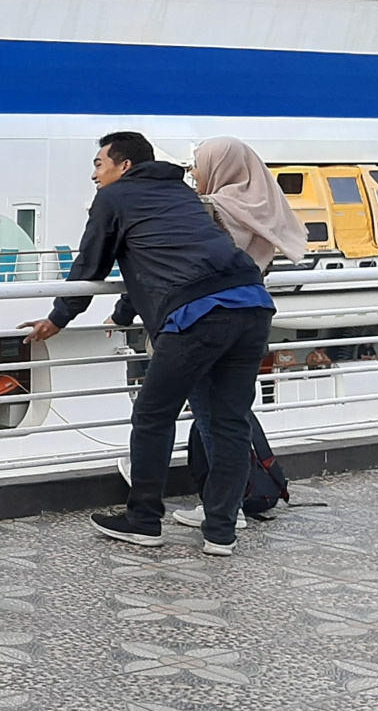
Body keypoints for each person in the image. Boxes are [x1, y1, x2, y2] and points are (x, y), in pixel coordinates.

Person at [22, 132, 273, 556]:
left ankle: (143, 520)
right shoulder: (181, 195)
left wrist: (57, 318)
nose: (94, 173)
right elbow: (160, 260)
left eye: (99, 164)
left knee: (154, 415)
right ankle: (221, 533)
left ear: (124, 166)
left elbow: (91, 263)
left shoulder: (114, 199)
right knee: (231, 423)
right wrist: (123, 313)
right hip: (251, 303)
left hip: (198, 315)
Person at [170, 137, 301, 530]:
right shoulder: (265, 207)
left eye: (198, 163)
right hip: (252, 323)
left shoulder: (212, 208)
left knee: (210, 418)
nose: (194, 171)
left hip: (207, 320)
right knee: (231, 416)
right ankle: (233, 503)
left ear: (219, 164)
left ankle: (224, 508)